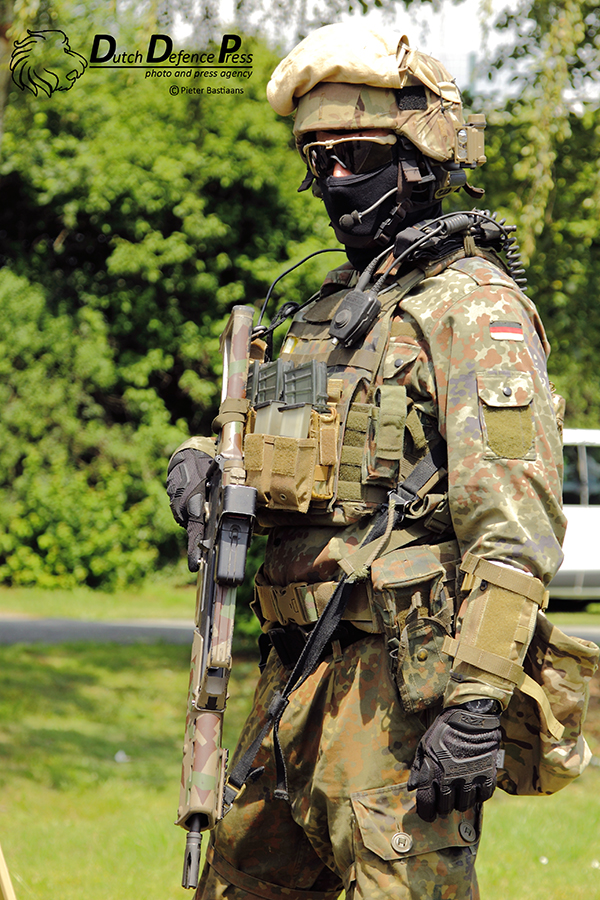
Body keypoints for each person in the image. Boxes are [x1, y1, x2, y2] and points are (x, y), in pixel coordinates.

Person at [166, 24, 566, 900]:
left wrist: (475, 703)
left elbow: (516, 524)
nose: (336, 179)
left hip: (399, 698)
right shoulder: (327, 314)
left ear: (423, 158)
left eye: (359, 155)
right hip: (291, 681)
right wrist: (200, 461)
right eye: (319, 159)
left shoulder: (473, 311)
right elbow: (265, 441)